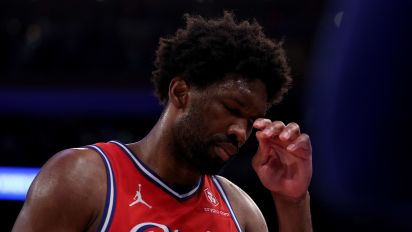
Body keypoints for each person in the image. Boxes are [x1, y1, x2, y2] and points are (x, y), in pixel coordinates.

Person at [12, 12, 313, 232]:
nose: (240, 132)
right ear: (181, 92)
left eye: (251, 122)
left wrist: (292, 202)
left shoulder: (241, 212)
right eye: (232, 109)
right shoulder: (81, 180)